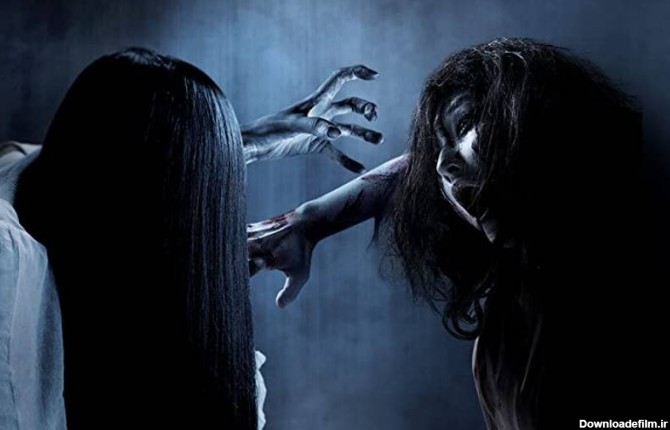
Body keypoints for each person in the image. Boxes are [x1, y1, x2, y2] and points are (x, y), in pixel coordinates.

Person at [248, 38, 665, 428]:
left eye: (464, 124)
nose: (442, 166)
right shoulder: (502, 329)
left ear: (538, 122)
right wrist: (311, 219)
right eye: (438, 148)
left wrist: (314, 217)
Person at [3, 48, 382, 428]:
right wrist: (208, 153)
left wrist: (202, 151)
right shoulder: (212, 370)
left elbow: (35, 163)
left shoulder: (16, 265)